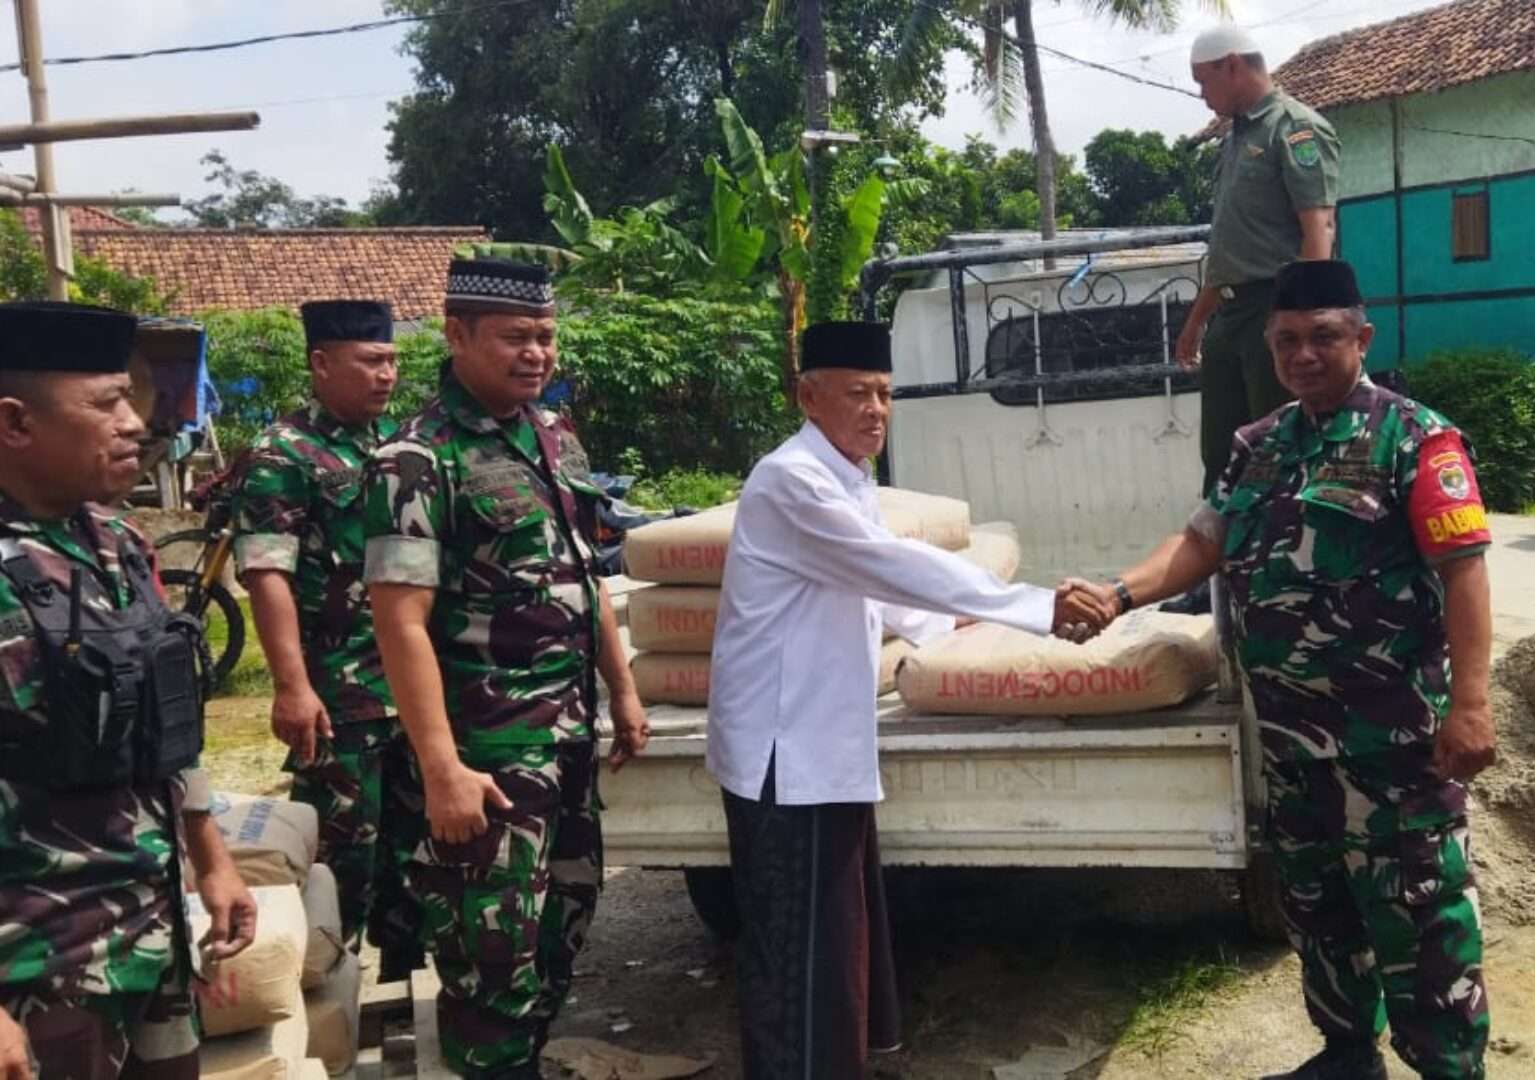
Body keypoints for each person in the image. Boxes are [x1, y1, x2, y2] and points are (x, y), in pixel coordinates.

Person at [1071, 261, 1495, 1080]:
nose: (1303, 354)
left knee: (1419, 917)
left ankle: (1449, 1068)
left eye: (1324, 337)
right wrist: (1122, 592)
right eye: (1287, 340)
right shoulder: (1257, 447)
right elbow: (1202, 542)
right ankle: (1346, 1054)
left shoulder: (1416, 439)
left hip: (1392, 746)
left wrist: (1471, 703)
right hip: (1294, 742)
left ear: (1361, 339)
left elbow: (1464, 572)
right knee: (1318, 908)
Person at [706, 321, 1115, 1080]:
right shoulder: (789, 478)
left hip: (818, 740)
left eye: (886, 395)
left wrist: (949, 624)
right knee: (796, 940)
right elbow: (888, 564)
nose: (876, 410)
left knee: (834, 930)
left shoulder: (847, 478)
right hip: (782, 749)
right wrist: (1032, 606)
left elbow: (882, 585)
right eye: (857, 393)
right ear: (808, 396)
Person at [364, 259, 650, 1078]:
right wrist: (442, 766)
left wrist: (621, 691)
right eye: (516, 338)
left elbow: (585, 572)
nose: (537, 354)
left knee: (564, 924)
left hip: (563, 741)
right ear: (456, 337)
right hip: (486, 756)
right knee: (489, 956)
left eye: (547, 338)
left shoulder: (553, 437)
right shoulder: (416, 460)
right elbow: (400, 623)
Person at [0, 300, 257, 1079]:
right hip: (38, 964)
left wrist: (212, 859)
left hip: (149, 936)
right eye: (105, 403)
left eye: (129, 397)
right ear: (14, 423)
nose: (134, 422)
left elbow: (162, 723)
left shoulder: (115, 540)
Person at [232, 299, 423, 981]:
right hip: (339, 690)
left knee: (415, 848)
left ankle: (400, 986)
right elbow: (266, 573)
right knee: (343, 850)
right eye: (371, 361)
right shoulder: (281, 454)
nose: (387, 375)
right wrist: (291, 685)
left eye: (393, 360)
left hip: (410, 686)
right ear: (321, 363)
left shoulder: (396, 442)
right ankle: (325, 993)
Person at [1176, 24, 1339, 499]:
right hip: (1230, 315)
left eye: (1204, 82)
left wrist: (1302, 322)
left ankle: (1283, 557)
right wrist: (1195, 323)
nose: (1203, 97)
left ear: (1232, 65)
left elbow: (1318, 230)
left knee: (1278, 448)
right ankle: (1222, 560)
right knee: (1222, 455)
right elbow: (1231, 245)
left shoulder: (1294, 128)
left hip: (1276, 306)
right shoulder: (1233, 139)